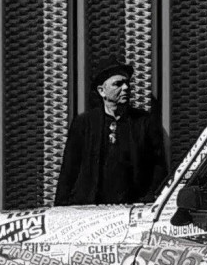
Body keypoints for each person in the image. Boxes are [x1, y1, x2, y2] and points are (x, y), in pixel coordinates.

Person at [54, 56, 167, 205]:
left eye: (127, 83)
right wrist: (60, 207)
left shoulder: (143, 123)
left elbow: (159, 167)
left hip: (130, 209)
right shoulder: (84, 124)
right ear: (102, 91)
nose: (125, 88)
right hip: (89, 209)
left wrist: (148, 200)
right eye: (118, 84)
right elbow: (69, 170)